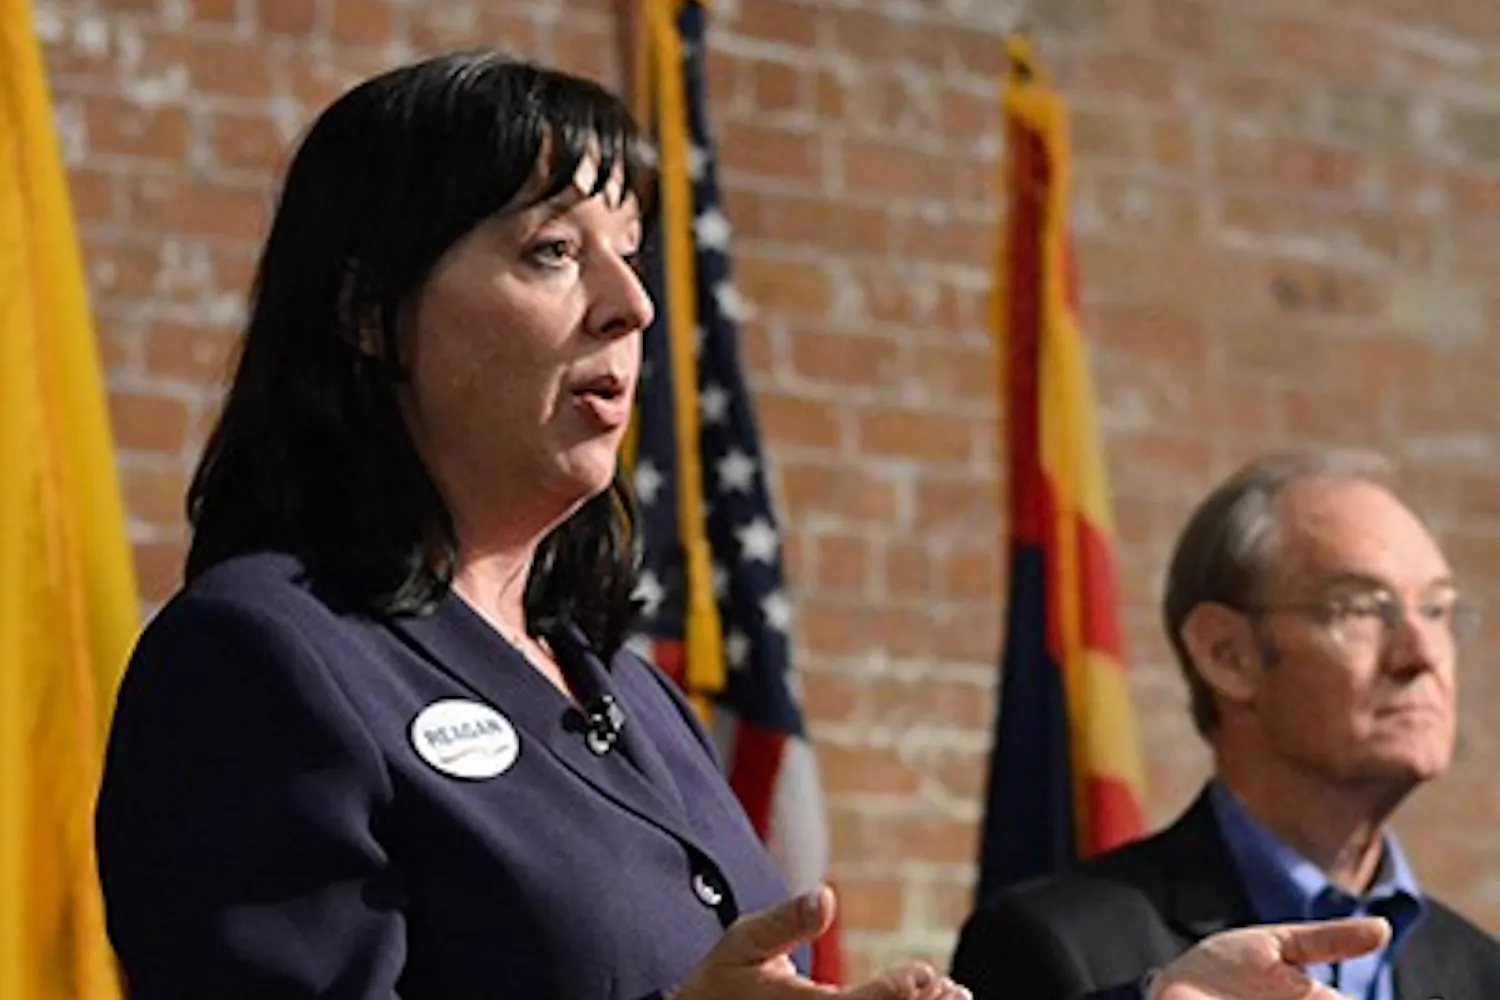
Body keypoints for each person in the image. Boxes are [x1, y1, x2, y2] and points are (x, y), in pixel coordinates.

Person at [94, 52, 1394, 1000]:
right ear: (369, 317)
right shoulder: (260, 659)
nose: (630, 307)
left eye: (632, 253)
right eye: (552, 251)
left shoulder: (630, 693)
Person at [951, 449, 1500, 1000]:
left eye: (1436, 610)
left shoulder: (1484, 971)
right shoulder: (1053, 942)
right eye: (1360, 609)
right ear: (1227, 654)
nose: (1422, 654)